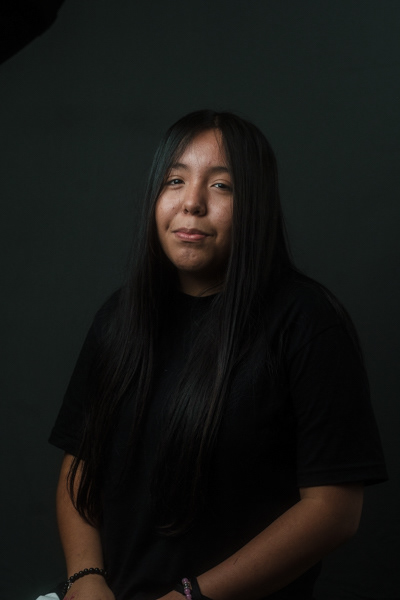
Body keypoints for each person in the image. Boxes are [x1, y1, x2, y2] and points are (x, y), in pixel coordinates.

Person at [49, 109, 387, 600]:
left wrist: (189, 599)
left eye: (222, 186)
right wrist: (85, 579)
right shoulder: (120, 316)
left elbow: (333, 511)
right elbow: (79, 463)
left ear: (256, 204)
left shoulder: (307, 321)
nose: (192, 203)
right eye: (175, 181)